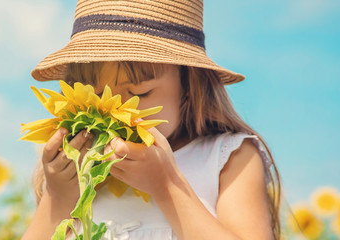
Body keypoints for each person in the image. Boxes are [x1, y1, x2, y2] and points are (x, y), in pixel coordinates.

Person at [22, 0, 283, 239]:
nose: (116, 110)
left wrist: (166, 185)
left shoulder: (228, 158)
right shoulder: (75, 170)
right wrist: (58, 199)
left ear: (189, 86)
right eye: (97, 95)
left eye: (139, 93)